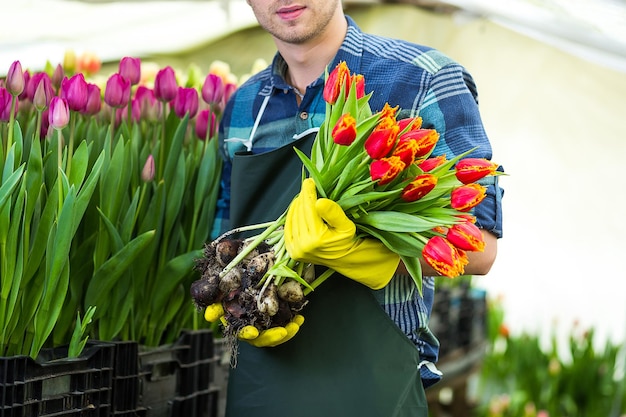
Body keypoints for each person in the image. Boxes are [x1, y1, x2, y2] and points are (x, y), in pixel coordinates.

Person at [209, 1, 504, 415]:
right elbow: (226, 241)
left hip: (372, 388)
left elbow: (480, 246)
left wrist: (364, 254)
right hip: (261, 383)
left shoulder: (422, 79)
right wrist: (233, 301)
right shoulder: (243, 108)